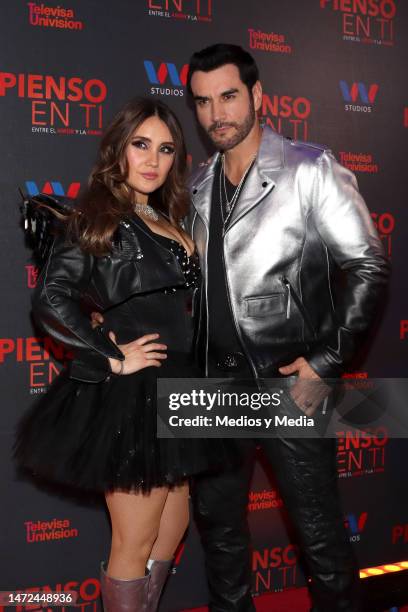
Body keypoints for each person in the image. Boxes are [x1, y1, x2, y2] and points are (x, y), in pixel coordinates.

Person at [185, 44, 390, 612]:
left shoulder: (309, 168)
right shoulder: (198, 185)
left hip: (286, 386)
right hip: (209, 391)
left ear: (256, 95)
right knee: (221, 542)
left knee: (320, 540)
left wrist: (327, 363)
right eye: (202, 102)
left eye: (228, 96)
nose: (215, 114)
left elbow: (368, 265)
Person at [13, 97, 232, 612]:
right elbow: (50, 298)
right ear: (118, 150)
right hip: (135, 394)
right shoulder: (97, 218)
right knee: (134, 542)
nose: (153, 159)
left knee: (172, 529)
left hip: (182, 389)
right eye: (140, 145)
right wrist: (112, 356)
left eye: (166, 149)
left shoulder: (170, 219)